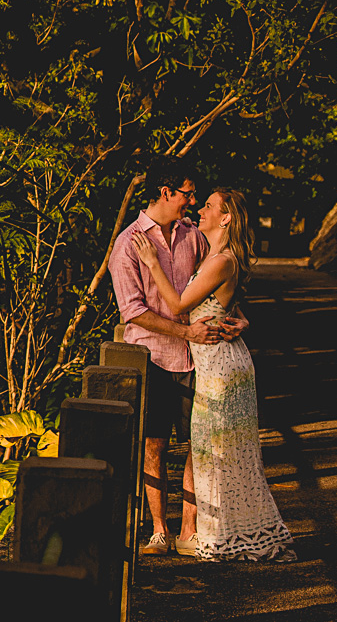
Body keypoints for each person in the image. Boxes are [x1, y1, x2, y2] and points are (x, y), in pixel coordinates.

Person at [132, 188, 296, 561]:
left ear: (226, 219)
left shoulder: (221, 261)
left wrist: (152, 260)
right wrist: (241, 317)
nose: (199, 210)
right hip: (213, 362)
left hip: (220, 367)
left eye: (208, 206)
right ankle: (222, 531)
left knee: (218, 451)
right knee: (215, 451)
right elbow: (222, 302)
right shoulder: (214, 257)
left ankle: (231, 533)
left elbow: (177, 305)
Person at [108, 162, 246, 557]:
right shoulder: (129, 242)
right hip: (151, 356)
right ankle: (158, 530)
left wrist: (238, 314)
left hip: (196, 358)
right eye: (187, 193)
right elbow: (132, 311)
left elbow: (220, 283)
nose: (192, 201)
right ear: (165, 192)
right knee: (154, 444)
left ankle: (188, 529)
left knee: (195, 444)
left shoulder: (194, 236)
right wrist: (185, 331)